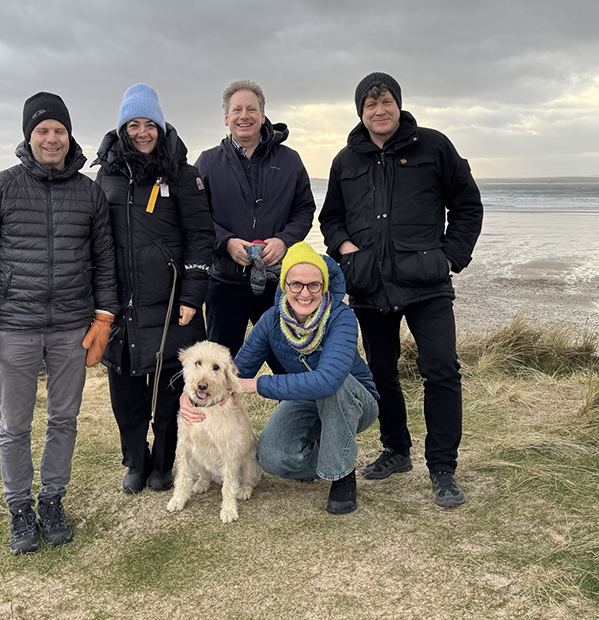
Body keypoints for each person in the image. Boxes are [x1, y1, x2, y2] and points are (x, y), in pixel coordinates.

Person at [0, 91, 118, 554]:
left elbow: (104, 261)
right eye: (42, 131)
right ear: (29, 136)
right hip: (15, 327)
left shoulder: (89, 193)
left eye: (59, 131)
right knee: (15, 425)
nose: (51, 139)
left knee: (64, 419)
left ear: (69, 136)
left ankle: (52, 500)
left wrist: (104, 319)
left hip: (71, 326)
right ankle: (20, 508)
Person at [319, 72, 483, 508]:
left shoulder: (434, 146)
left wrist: (449, 257)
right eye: (370, 105)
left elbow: (467, 204)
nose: (379, 110)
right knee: (382, 372)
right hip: (370, 285)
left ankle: (443, 469)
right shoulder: (346, 160)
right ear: (361, 111)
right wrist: (348, 251)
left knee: (442, 369)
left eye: (385, 101)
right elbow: (330, 218)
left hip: (427, 283)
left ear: (398, 103)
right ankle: (396, 450)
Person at [182, 242, 379, 514]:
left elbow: (329, 380)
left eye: (314, 285)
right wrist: (193, 393)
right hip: (306, 397)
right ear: (285, 285)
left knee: (333, 386)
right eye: (296, 284)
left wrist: (258, 385)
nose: (305, 293)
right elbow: (238, 370)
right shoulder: (271, 319)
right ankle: (332, 453)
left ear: (323, 286)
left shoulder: (341, 317)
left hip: (354, 399)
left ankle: (341, 474)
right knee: (271, 458)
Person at [94, 84, 214, 495]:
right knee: (126, 395)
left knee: (168, 393)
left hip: (170, 306)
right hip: (120, 304)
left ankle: (164, 462)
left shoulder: (183, 173)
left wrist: (191, 297)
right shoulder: (107, 173)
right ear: (122, 128)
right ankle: (135, 460)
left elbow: (201, 237)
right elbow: (95, 238)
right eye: (134, 124)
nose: (142, 132)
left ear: (161, 128)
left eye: (150, 125)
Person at [195, 79, 316, 374]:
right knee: (219, 373)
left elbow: (304, 209)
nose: (244, 116)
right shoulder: (207, 162)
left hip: (277, 284)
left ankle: (300, 418)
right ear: (226, 118)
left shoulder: (290, 161)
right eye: (237, 110)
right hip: (224, 283)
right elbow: (197, 218)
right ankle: (219, 422)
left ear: (263, 115)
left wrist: (284, 241)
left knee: (291, 367)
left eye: (252, 109)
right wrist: (226, 242)